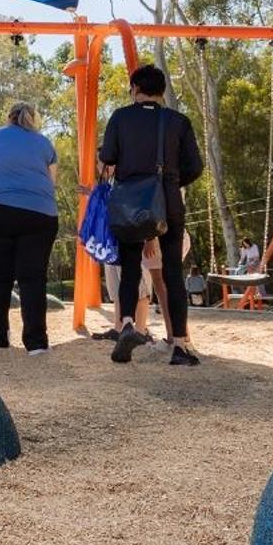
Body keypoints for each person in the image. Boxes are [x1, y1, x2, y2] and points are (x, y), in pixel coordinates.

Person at [98, 64, 205, 366]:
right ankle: (181, 346)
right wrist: (169, 183)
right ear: (162, 91)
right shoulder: (178, 121)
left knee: (130, 265)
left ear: (134, 89)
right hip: (168, 199)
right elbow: (195, 167)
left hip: (130, 200)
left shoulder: (120, 117)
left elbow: (107, 157)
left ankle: (129, 322)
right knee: (172, 272)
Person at [0, 102, 60, 354]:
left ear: (8, 118)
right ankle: (36, 344)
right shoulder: (44, 143)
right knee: (32, 279)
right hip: (38, 213)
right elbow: (51, 182)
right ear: (32, 119)